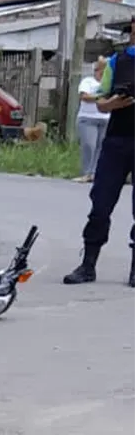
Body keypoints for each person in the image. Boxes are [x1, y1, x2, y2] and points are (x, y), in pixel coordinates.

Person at [64, 17, 135, 287]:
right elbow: (101, 104)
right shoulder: (116, 63)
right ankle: (88, 265)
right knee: (100, 206)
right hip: (116, 141)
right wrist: (115, 103)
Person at [74, 57, 109, 183]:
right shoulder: (87, 81)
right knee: (89, 145)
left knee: (101, 147)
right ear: (95, 70)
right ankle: (86, 172)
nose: (101, 74)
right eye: (100, 71)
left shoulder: (108, 83)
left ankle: (95, 173)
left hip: (105, 118)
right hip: (88, 118)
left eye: (105, 71)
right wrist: (100, 97)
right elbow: (84, 96)